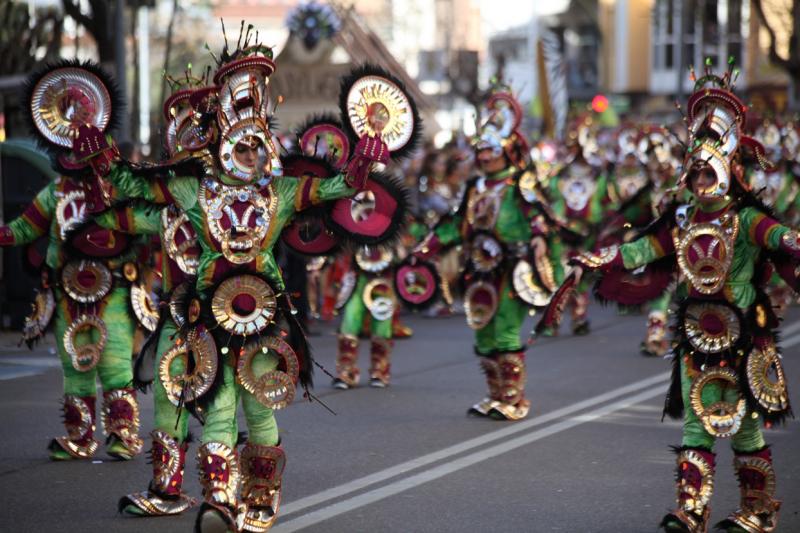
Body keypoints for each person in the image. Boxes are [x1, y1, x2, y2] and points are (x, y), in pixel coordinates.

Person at [550, 62, 791, 532]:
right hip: (696, 332)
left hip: (743, 332)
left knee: (744, 427)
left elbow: (782, 238)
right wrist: (601, 259)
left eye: (708, 175)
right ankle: (692, 511)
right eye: (695, 175)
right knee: (697, 424)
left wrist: (793, 242)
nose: (700, 184)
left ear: (726, 172)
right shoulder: (680, 220)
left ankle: (758, 512)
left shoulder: (746, 219)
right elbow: (644, 246)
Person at [0, 61, 148, 461]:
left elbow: (145, 223)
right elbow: (24, 228)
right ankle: (80, 437)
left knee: (116, 361)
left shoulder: (120, 188)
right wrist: (5, 233)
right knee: (74, 363)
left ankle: (124, 435)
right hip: (65, 290)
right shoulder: (55, 192)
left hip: (113, 288)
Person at [413, 84, 558, 421]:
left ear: (506, 149)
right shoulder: (474, 187)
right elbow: (453, 226)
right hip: (479, 269)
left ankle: (513, 397)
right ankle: (495, 395)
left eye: (491, 149)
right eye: (480, 149)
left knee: (506, 329)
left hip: (512, 267)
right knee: (482, 330)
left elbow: (539, 218)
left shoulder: (520, 183)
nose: (484, 155)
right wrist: (426, 249)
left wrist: (538, 239)